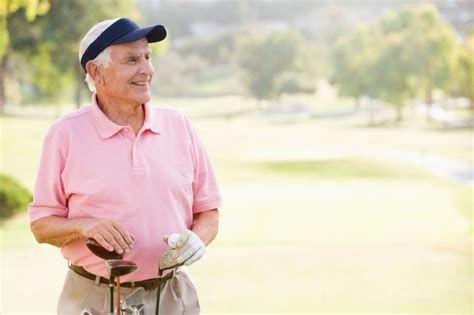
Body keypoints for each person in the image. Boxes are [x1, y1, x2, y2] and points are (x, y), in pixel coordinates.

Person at [28, 17, 221, 315]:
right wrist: (85, 225)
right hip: (93, 299)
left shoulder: (179, 125)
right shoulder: (65, 134)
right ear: (96, 71)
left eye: (147, 57)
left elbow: (207, 210)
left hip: (173, 297)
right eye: (132, 60)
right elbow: (42, 226)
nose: (146, 69)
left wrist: (198, 239)